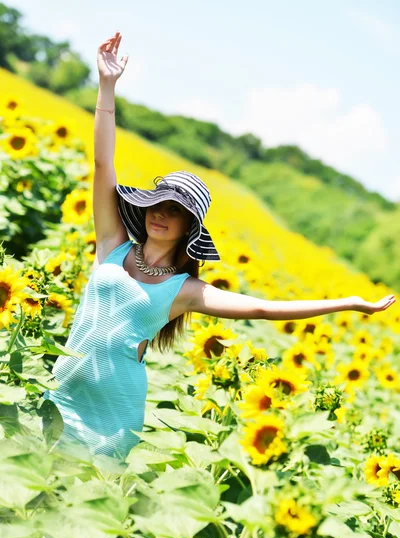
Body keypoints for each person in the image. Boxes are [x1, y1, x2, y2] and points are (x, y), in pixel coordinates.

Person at [42, 30, 396, 462]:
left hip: (112, 415)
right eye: (158, 204)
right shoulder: (113, 245)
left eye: (175, 211)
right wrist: (107, 86)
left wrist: (348, 302)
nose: (161, 214)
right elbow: (102, 164)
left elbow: (264, 309)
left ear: (188, 227)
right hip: (61, 393)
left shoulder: (184, 290)